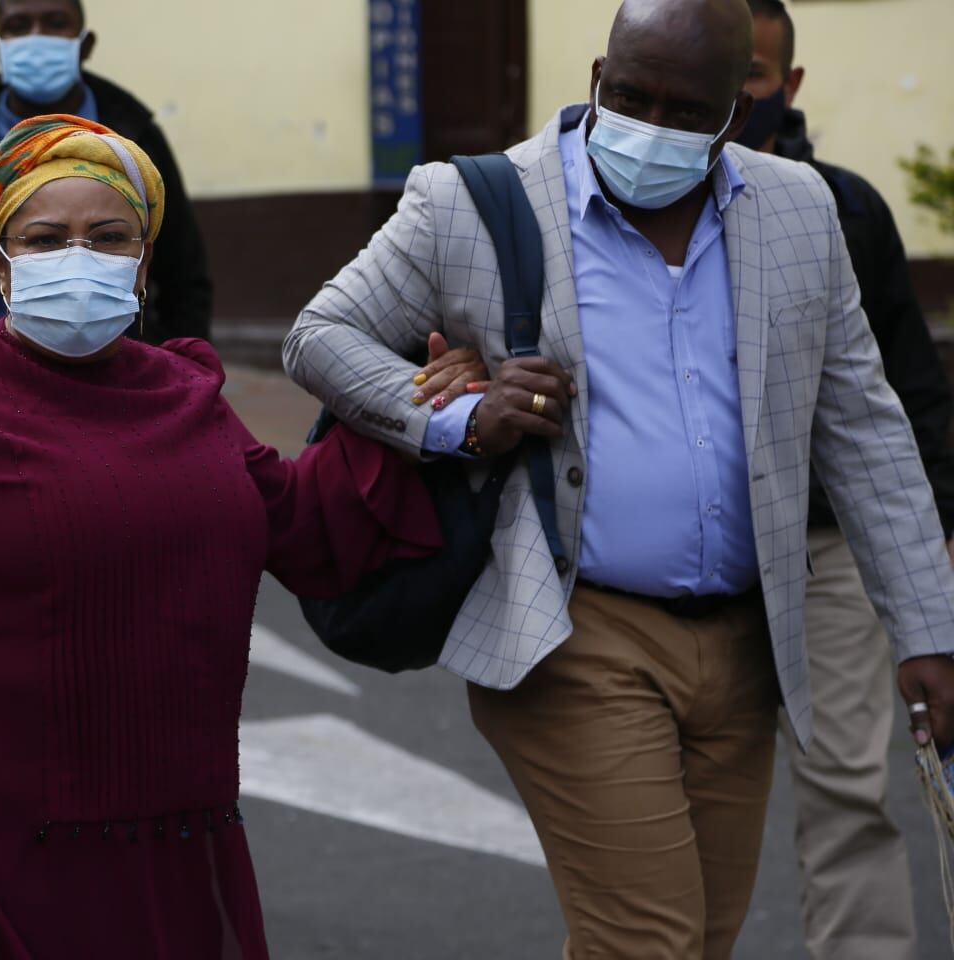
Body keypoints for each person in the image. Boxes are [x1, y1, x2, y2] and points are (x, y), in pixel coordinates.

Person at [282, 0, 954, 955]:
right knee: (651, 940)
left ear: (737, 112)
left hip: (745, 642)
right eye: (630, 96)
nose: (650, 127)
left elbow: (864, 430)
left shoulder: (800, 210)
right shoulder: (470, 202)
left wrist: (928, 629)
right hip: (575, 630)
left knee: (694, 939)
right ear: (597, 77)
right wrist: (460, 417)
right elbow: (320, 336)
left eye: (687, 112)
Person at [0, 115, 453, 959]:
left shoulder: (187, 392)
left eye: (109, 238)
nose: (79, 259)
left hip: (179, 842)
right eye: (44, 239)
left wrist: (420, 405)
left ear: (143, 262)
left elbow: (302, 522)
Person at [739, 3, 954, 956]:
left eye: (749, 75)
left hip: (824, 555)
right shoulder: (628, 206)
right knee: (677, 806)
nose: (726, 97)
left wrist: (932, 566)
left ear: (788, 86)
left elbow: (903, 396)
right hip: (683, 564)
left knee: (846, 794)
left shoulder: (845, 212)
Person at [0, 0, 212, 344]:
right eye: (18, 26)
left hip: (122, 354)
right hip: (3, 360)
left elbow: (183, 274)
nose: (37, 38)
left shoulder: (135, 137)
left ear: (85, 44)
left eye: (55, 23)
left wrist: (182, 363)